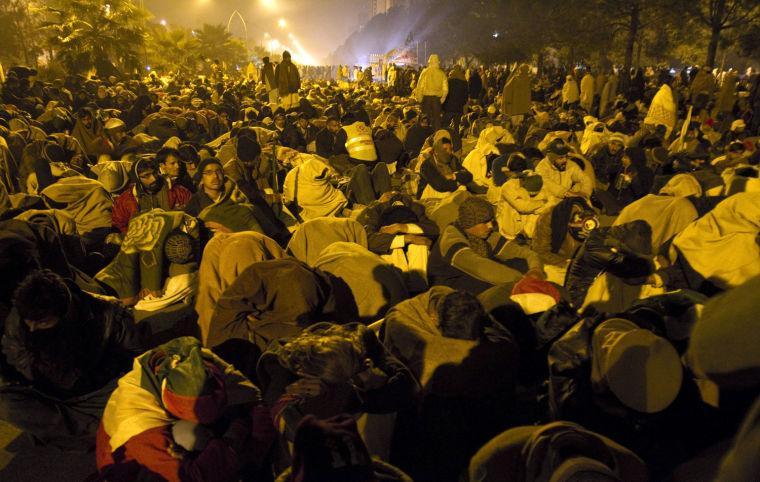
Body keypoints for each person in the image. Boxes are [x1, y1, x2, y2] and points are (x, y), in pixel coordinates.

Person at [1, 269, 152, 449]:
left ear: (64, 313)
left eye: (42, 322)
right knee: (7, 403)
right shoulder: (22, 318)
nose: (32, 328)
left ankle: (86, 431)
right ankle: (96, 430)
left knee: (141, 400)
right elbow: (15, 356)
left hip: (98, 391)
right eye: (29, 321)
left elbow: (138, 361)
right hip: (52, 393)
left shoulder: (107, 317)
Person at [96, 337, 275, 481]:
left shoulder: (199, 363)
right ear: (167, 397)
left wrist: (256, 451)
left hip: (172, 432)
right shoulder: (136, 421)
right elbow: (190, 477)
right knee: (189, 436)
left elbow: (255, 402)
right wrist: (233, 441)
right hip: (134, 468)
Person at [428, 196, 544, 294]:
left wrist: (535, 269)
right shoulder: (451, 238)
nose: (490, 226)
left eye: (491, 221)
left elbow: (523, 253)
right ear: (470, 223)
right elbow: (481, 267)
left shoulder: (486, 235)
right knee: (494, 285)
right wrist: (522, 280)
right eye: (484, 222)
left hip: (472, 277)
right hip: (448, 287)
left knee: (521, 263)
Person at [111, 157, 192, 234]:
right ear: (137, 179)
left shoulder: (179, 192)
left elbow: (190, 218)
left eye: (154, 173)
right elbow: (119, 225)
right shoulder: (125, 201)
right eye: (146, 176)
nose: (153, 179)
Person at [535, 138, 593, 204]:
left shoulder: (570, 164)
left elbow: (585, 179)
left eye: (565, 156)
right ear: (552, 158)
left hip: (569, 200)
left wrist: (585, 193)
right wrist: (568, 194)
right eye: (561, 157)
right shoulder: (541, 168)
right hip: (550, 204)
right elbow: (551, 186)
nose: (565, 160)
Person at [414, 54, 448, 131]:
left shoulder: (425, 72)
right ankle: (436, 135)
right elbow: (445, 88)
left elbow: (419, 86)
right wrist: (443, 98)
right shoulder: (441, 73)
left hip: (426, 99)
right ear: (437, 62)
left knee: (425, 118)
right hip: (436, 100)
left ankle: (425, 135)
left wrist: (419, 98)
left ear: (429, 62)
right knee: (436, 119)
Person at [442, 65, 468, 133]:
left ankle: (445, 137)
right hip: (459, 107)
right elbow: (466, 94)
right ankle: (455, 138)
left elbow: (445, 93)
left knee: (445, 124)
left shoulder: (448, 80)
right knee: (456, 125)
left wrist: (443, 105)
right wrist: (463, 102)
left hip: (448, 106)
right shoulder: (464, 80)